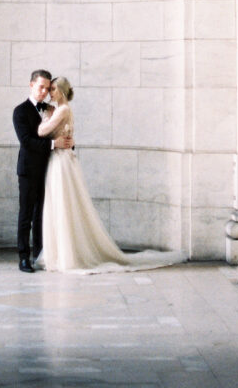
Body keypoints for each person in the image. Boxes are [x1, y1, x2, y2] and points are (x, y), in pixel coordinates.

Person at [37, 76, 186, 273]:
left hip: (61, 162)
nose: (51, 93)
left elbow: (41, 131)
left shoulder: (62, 110)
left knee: (63, 205)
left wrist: (46, 117)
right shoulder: (61, 110)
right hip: (63, 160)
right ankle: (62, 254)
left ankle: (65, 256)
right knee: (62, 205)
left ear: (62, 91)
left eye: (54, 89)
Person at [12, 69, 73, 273]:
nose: (45, 92)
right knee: (26, 215)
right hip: (28, 170)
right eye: (41, 87)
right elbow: (27, 141)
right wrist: (53, 145)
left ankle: (40, 254)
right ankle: (23, 258)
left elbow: (61, 131)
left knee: (42, 214)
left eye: (48, 88)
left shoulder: (51, 109)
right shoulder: (20, 111)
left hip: (49, 169)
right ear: (31, 85)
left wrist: (69, 143)